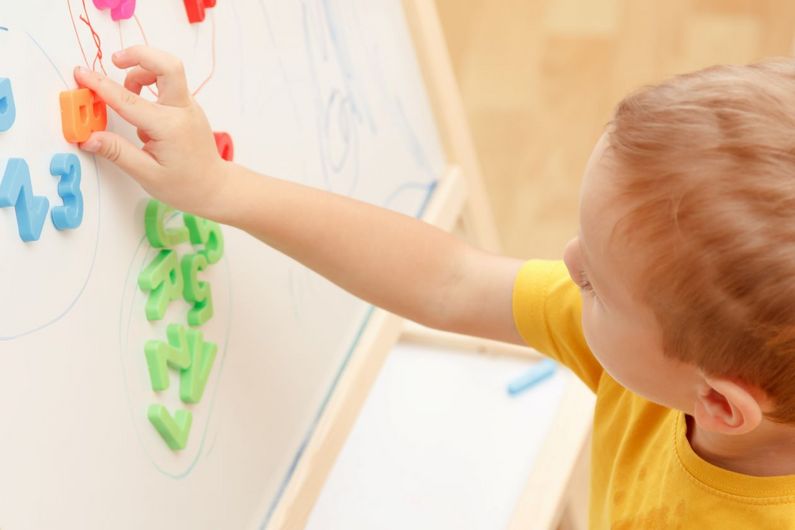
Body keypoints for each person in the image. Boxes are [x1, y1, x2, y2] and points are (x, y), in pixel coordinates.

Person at [75, 46, 795, 528]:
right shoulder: (662, 367)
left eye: (598, 286)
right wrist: (222, 187)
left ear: (718, 403)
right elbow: (450, 280)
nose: (568, 261)